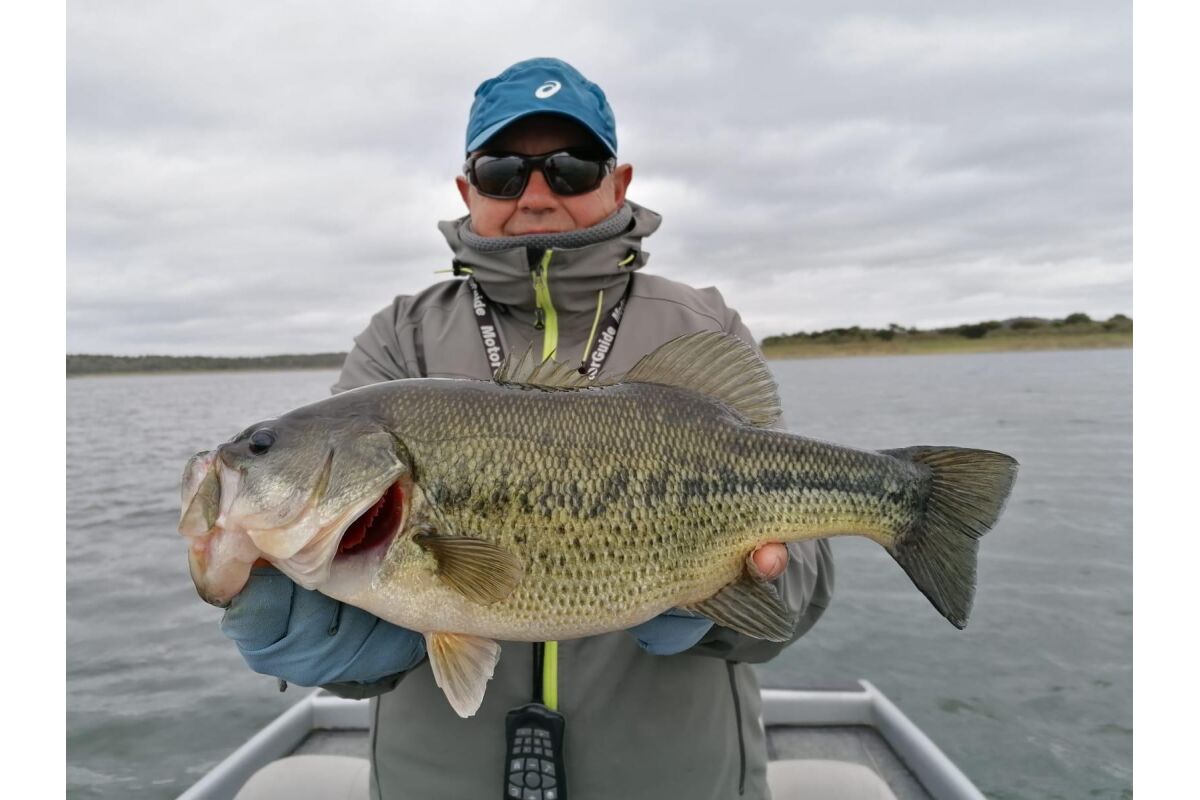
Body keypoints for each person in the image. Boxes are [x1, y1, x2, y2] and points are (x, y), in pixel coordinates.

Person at [220, 57, 834, 800]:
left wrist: (729, 604)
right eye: (503, 171)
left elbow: (802, 575)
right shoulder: (400, 340)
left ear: (619, 182)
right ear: (467, 190)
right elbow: (366, 584)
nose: (537, 195)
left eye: (571, 168)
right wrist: (326, 635)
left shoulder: (701, 325)